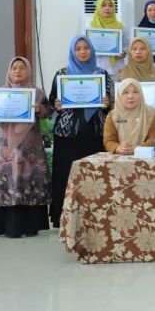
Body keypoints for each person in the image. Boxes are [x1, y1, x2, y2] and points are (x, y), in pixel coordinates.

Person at [0, 57, 51, 238]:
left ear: (28, 71)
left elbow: (49, 111)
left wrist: (39, 109)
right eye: (14, 68)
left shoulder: (37, 92)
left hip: (30, 148)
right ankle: (8, 226)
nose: (18, 71)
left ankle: (31, 226)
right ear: (9, 72)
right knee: (10, 180)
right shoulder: (0, 93)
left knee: (29, 181)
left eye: (22, 68)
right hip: (7, 149)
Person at [49, 35, 112, 228]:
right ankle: (64, 217)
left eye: (86, 48)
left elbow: (110, 104)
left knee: (93, 178)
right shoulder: (62, 74)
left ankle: (93, 217)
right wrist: (56, 104)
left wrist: (107, 104)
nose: (83, 51)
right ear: (72, 52)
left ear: (92, 50)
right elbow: (52, 99)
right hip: (67, 136)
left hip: (94, 134)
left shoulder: (102, 74)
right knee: (65, 176)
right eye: (78, 48)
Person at [102, 78, 155, 154]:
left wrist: (138, 148)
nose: (130, 96)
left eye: (135, 92)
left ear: (141, 94)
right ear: (119, 95)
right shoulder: (112, 116)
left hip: (147, 158)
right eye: (125, 92)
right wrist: (118, 147)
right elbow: (108, 141)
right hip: (120, 160)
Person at [88, 0, 127, 74]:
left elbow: (128, 45)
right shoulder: (90, 27)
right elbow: (85, 47)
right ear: (98, 7)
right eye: (103, 5)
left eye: (110, 5)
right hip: (97, 69)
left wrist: (123, 52)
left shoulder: (120, 27)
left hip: (117, 69)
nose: (107, 8)